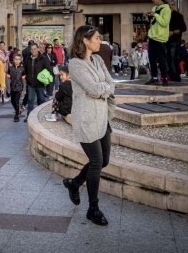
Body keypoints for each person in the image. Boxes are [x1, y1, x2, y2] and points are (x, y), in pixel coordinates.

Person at [62, 25, 115, 226]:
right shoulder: (75, 64)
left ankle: (74, 183)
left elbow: (111, 83)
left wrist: (101, 90)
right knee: (96, 162)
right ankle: (93, 209)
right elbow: (93, 87)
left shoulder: (99, 59)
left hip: (102, 117)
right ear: (85, 40)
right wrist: (102, 89)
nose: (99, 40)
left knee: (105, 160)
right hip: (86, 119)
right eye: (96, 37)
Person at [145, 0, 171, 86]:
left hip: (161, 38)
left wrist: (155, 14)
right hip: (152, 37)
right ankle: (154, 77)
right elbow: (152, 22)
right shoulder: (154, 7)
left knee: (162, 59)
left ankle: (164, 78)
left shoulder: (166, 9)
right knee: (151, 58)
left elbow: (164, 23)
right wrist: (147, 16)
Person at [23, 42, 50, 122]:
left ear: (38, 49)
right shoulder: (27, 59)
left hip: (40, 84)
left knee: (41, 100)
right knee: (30, 101)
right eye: (32, 49)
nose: (33, 51)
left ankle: (41, 117)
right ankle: (29, 117)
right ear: (30, 50)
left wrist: (46, 81)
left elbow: (48, 70)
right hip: (31, 84)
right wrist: (27, 78)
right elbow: (25, 70)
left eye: (35, 49)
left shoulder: (43, 58)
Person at [166, 0, 187, 82]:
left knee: (173, 60)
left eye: (172, 5)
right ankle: (170, 78)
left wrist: (173, 32)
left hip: (174, 40)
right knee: (167, 60)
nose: (171, 6)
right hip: (165, 40)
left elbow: (184, 28)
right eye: (169, 5)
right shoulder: (164, 15)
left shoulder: (178, 15)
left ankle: (176, 79)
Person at [7, 53, 26, 122]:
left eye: (18, 59)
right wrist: (8, 87)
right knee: (12, 100)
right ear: (13, 60)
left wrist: (24, 89)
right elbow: (8, 78)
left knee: (16, 100)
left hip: (19, 87)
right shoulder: (10, 68)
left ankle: (17, 115)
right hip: (12, 86)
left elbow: (23, 79)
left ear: (21, 60)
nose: (17, 61)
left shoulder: (22, 69)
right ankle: (18, 109)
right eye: (16, 59)